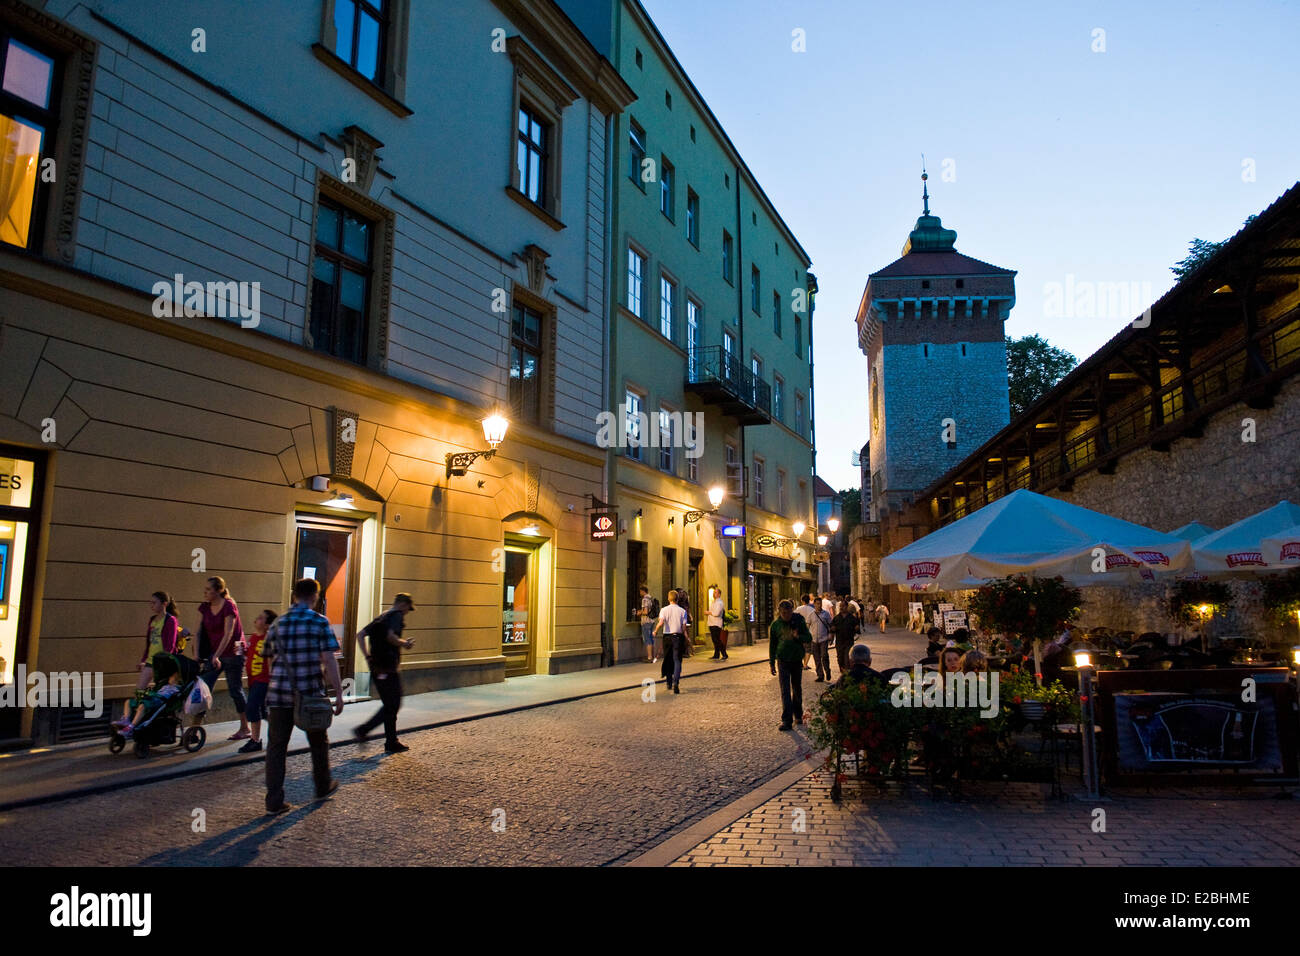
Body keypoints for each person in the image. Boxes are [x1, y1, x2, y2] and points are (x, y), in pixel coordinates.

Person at [263, 577, 345, 814]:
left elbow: (268, 658)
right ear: (315, 596)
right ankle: (322, 785)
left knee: (276, 747)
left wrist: (275, 684)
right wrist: (338, 693)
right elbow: (329, 659)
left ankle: (274, 801)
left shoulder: (277, 623)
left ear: (294, 595)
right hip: (309, 695)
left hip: (279, 696)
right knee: (319, 742)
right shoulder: (319, 622)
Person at [354, 593, 417, 753]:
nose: (406, 613)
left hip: (376, 667)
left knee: (390, 705)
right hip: (388, 667)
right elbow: (391, 637)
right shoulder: (395, 615)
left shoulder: (381, 617)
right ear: (403, 604)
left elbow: (360, 635)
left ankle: (391, 742)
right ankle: (364, 730)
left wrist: (367, 656)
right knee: (393, 704)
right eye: (407, 610)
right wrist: (405, 643)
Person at [195, 575, 250, 741]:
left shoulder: (228, 606)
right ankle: (195, 728)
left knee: (235, 690)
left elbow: (229, 633)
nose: (205, 593)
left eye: (208, 590)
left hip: (233, 653)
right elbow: (197, 631)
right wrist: (197, 653)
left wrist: (217, 655)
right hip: (215, 654)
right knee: (203, 688)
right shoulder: (204, 608)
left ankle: (245, 727)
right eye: (205, 589)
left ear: (218, 591)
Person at [124, 591, 189, 721]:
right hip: (150, 661)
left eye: (154, 603)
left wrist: (165, 662)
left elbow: (169, 645)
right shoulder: (152, 620)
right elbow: (148, 643)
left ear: (164, 604)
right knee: (139, 692)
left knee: (161, 694)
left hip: (162, 662)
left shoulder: (170, 620)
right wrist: (143, 660)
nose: (151, 605)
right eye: (150, 602)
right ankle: (129, 720)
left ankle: (149, 719)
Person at [769, 599, 813, 731]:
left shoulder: (798, 621)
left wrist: (798, 636)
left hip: (796, 660)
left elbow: (809, 638)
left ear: (791, 611)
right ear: (779, 612)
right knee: (785, 691)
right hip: (782, 661)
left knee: (797, 688)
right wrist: (771, 662)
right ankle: (787, 720)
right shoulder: (776, 625)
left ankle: (798, 715)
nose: (786, 615)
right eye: (783, 613)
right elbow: (772, 645)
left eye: (788, 613)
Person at [238, 609, 277, 753]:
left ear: (267, 625)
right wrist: (242, 650)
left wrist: (272, 680)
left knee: (252, 707)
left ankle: (255, 740)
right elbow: (249, 653)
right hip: (253, 679)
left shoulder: (268, 638)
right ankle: (277, 731)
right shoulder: (254, 637)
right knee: (262, 711)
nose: (256, 619)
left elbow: (270, 659)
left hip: (264, 680)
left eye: (261, 618)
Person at [111, 667, 182, 738]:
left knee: (142, 706)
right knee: (128, 701)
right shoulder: (165, 685)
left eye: (172, 677)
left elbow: (169, 696)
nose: (169, 678)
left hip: (159, 701)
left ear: (177, 680)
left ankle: (131, 727)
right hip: (152, 698)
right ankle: (126, 720)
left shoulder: (176, 688)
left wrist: (153, 695)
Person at [653, 590, 689, 694]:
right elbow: (683, 628)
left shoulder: (664, 610)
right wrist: (687, 639)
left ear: (669, 598)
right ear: (677, 599)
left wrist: (655, 631)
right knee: (677, 660)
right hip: (678, 637)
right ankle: (676, 682)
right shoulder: (683, 611)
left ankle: (669, 682)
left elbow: (661, 622)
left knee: (668, 658)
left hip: (667, 637)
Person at [830, 603, 859, 676]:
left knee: (847, 657)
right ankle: (842, 672)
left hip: (849, 641)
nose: (841, 608)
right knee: (840, 658)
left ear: (846, 607)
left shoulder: (851, 618)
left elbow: (857, 628)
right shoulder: (836, 618)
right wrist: (832, 633)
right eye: (840, 606)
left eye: (843, 606)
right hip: (839, 641)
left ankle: (847, 674)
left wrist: (856, 628)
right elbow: (832, 628)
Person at [707, 585, 728, 661]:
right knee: (714, 640)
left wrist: (708, 612)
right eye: (714, 592)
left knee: (717, 640)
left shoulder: (719, 603)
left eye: (715, 592)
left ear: (719, 594)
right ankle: (716, 655)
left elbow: (716, 613)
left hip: (716, 623)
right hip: (712, 623)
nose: (714, 594)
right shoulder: (714, 602)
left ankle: (724, 654)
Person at [637, 585, 657, 663]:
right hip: (651, 621)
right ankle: (652, 656)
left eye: (640, 591)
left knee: (647, 639)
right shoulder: (651, 598)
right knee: (651, 639)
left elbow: (645, 611)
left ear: (642, 591)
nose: (640, 593)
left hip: (646, 621)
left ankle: (649, 657)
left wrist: (639, 612)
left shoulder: (645, 599)